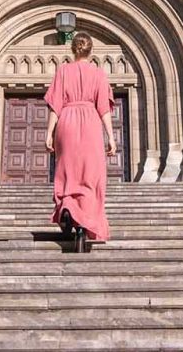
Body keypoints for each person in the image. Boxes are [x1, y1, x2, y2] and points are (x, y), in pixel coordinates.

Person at [44, 32, 116, 252]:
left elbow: (55, 104)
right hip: (91, 123)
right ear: (90, 50)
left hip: (67, 120)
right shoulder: (99, 74)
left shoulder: (63, 71)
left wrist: (49, 133)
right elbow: (103, 108)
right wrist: (111, 137)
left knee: (68, 172)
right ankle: (83, 226)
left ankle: (67, 208)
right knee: (90, 175)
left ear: (73, 50)